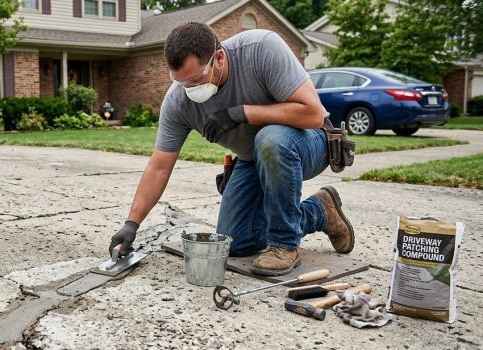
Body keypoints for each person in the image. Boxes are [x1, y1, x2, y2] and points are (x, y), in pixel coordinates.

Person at [108, 22, 354, 276]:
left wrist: (242, 113)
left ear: (220, 58)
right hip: (254, 158)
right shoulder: (178, 101)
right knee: (234, 241)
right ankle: (320, 211)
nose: (190, 89)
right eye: (181, 82)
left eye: (196, 79)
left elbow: (313, 114)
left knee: (270, 138)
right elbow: (159, 166)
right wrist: (131, 224)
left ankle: (283, 245)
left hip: (309, 142)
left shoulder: (260, 49)